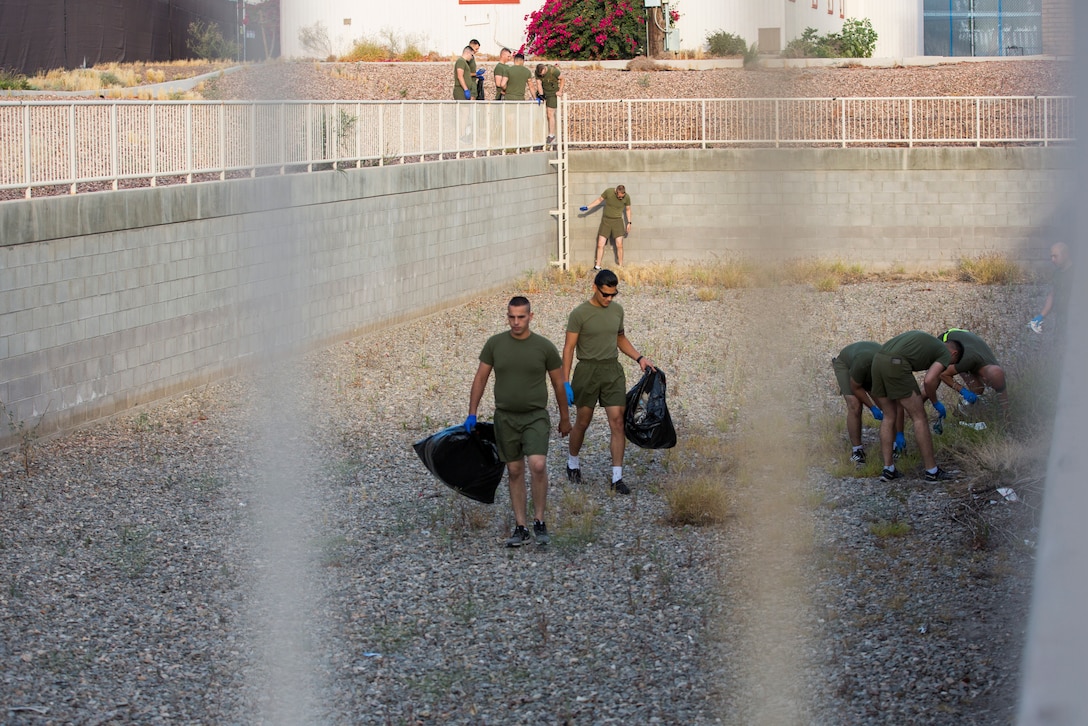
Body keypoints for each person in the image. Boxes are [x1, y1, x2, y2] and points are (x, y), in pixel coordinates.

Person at [466, 296, 571, 547]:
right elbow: (480, 378)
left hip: (535, 416)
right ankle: (521, 526)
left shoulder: (544, 347)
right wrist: (472, 412)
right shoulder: (495, 344)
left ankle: (539, 520)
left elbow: (558, 383)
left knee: (537, 464)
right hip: (506, 417)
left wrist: (565, 417)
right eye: (511, 317)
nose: (516, 322)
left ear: (530, 317)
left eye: (521, 317)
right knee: (514, 470)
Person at [562, 269, 653, 495]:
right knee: (583, 422)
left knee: (618, 423)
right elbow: (569, 347)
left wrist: (639, 358)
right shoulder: (579, 314)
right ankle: (572, 463)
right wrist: (564, 381)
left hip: (612, 371)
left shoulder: (617, 311)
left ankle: (617, 477)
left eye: (613, 295)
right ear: (594, 288)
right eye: (605, 294)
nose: (609, 299)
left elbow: (620, 338)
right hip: (587, 370)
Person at [870, 330, 956, 482]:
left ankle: (888, 469)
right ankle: (932, 471)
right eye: (950, 364)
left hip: (877, 360)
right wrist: (935, 402)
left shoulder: (929, 343)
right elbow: (929, 381)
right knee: (919, 417)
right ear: (954, 354)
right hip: (896, 362)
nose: (947, 365)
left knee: (889, 415)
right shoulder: (945, 353)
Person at [832, 341, 899, 465]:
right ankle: (857, 451)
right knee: (855, 405)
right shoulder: (863, 362)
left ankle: (895, 446)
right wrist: (872, 407)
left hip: (871, 368)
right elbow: (855, 387)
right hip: (847, 365)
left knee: (888, 407)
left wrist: (900, 434)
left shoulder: (892, 363)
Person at [937, 328, 1009, 414]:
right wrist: (963, 391)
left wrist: (1007, 417)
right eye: (991, 386)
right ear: (985, 379)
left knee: (978, 389)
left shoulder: (996, 370)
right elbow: (943, 375)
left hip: (969, 343)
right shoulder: (966, 360)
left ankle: (973, 409)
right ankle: (961, 412)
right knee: (976, 388)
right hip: (948, 340)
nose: (991, 388)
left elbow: (1003, 398)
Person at [580, 186, 632, 269]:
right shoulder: (609, 192)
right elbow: (599, 200)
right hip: (606, 221)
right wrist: (587, 207)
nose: (620, 198)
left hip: (618, 221)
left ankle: (621, 266)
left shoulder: (627, 197)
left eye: (622, 196)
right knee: (600, 244)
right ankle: (597, 266)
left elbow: (628, 209)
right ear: (616, 192)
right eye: (619, 196)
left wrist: (629, 222)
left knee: (619, 245)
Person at [1028, 241, 1073, 335]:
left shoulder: (1076, 273)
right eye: (1051, 256)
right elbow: (1052, 295)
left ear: (1065, 255)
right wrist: (1041, 316)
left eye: (1055, 256)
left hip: (1075, 321)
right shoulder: (1057, 274)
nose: (1052, 260)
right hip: (1061, 320)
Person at [534, 62, 564, 145]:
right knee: (540, 111)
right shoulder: (537, 73)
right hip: (544, 92)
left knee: (550, 113)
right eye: (540, 75)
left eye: (543, 74)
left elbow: (562, 79)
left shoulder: (553, 71)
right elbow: (538, 83)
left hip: (553, 93)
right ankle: (538, 135)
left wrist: (560, 91)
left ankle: (551, 135)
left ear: (544, 69)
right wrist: (541, 94)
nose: (542, 76)